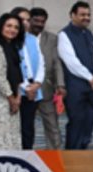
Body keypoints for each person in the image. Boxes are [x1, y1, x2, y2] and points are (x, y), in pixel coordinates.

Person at [58, 1, 93, 149]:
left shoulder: (89, 33)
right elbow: (71, 61)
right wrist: (91, 78)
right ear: (72, 15)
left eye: (88, 15)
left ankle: (83, 151)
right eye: (82, 14)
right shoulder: (64, 34)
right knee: (77, 121)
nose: (86, 18)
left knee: (89, 121)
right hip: (76, 87)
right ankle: (72, 152)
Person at [29, 7, 66, 149]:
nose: (39, 24)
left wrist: (60, 84)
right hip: (26, 91)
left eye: (42, 21)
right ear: (29, 20)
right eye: (36, 21)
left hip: (46, 88)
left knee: (52, 126)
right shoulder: (20, 37)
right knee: (25, 127)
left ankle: (54, 155)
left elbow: (57, 63)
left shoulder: (52, 38)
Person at [0, 13, 24, 149]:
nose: (12, 30)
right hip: (0, 100)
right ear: (0, 27)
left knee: (13, 137)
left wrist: (18, 97)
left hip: (13, 99)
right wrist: (11, 99)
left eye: (16, 27)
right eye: (9, 26)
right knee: (2, 138)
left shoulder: (14, 48)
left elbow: (18, 76)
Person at [12, 7, 45, 150]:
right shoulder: (10, 40)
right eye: (21, 19)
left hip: (34, 88)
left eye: (27, 20)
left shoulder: (33, 39)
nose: (25, 23)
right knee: (16, 128)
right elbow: (12, 68)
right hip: (18, 90)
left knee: (29, 127)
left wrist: (37, 83)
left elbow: (41, 63)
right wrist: (26, 87)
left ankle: (28, 154)